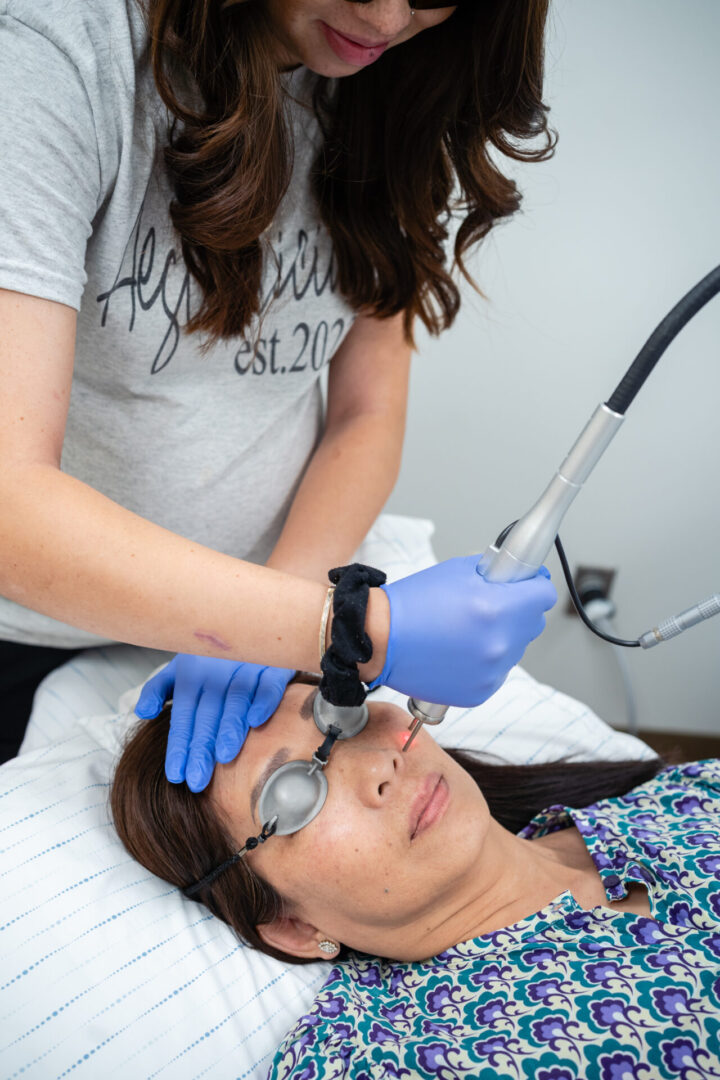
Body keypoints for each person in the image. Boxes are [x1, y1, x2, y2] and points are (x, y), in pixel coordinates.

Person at [0, 0, 557, 770]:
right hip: (27, 625)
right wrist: (342, 626)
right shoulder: (56, 52)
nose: (388, 19)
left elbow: (365, 412)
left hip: (273, 595)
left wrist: (287, 603)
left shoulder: (388, 90)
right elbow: (8, 497)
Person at [111, 677, 720, 1077]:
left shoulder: (683, 795)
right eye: (292, 793)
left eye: (340, 717)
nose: (382, 764)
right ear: (292, 927)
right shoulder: (381, 1059)